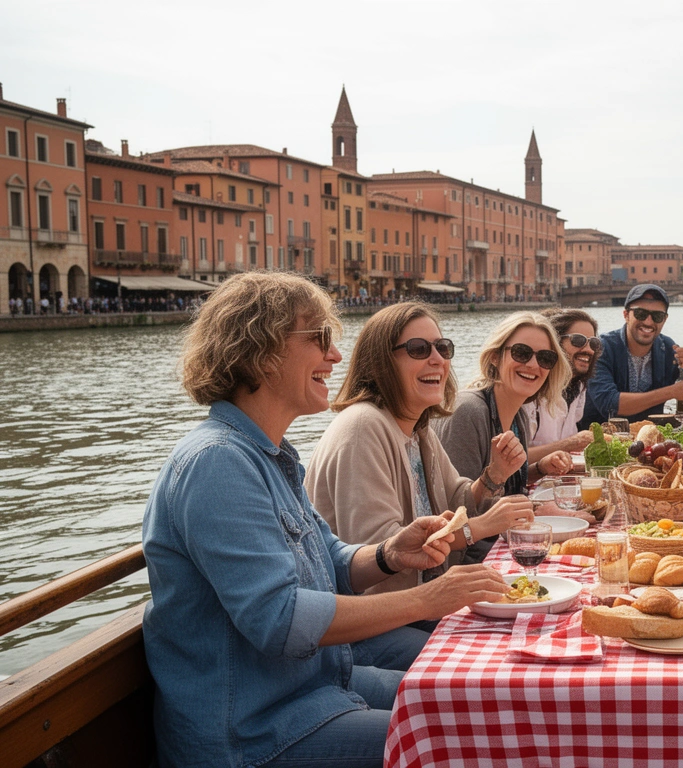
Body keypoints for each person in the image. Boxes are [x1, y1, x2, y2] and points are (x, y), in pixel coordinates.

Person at [141, 272, 508, 768]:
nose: (335, 355)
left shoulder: (271, 456)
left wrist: (389, 554)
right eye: (318, 338)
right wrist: (427, 598)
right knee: (467, 739)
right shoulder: (217, 463)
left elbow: (329, 559)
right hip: (256, 730)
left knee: (476, 701)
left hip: (316, 684)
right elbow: (279, 619)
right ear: (262, 351)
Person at [306, 302, 535, 596]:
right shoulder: (362, 426)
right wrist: (480, 527)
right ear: (381, 362)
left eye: (443, 348)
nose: (438, 359)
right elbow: (384, 551)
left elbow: (457, 499)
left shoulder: (418, 430)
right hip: (381, 614)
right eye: (419, 349)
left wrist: (494, 475)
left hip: (424, 601)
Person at [432, 312, 580, 559]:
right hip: (465, 559)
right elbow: (457, 510)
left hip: (498, 544)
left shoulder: (519, 415)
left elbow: (503, 484)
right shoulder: (468, 412)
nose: (533, 365)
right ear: (494, 356)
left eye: (545, 358)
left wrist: (539, 469)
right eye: (521, 353)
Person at [582, 283, 683, 426]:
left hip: (650, 436)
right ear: (626, 315)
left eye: (657, 316)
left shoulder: (668, 349)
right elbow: (609, 404)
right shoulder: (601, 348)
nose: (648, 322)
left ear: (664, 319)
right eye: (640, 314)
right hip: (598, 435)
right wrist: (673, 392)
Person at [524, 307, 602, 461]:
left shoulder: (578, 387)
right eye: (578, 340)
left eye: (594, 343)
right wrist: (570, 444)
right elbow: (512, 460)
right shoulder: (530, 388)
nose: (589, 350)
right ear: (554, 342)